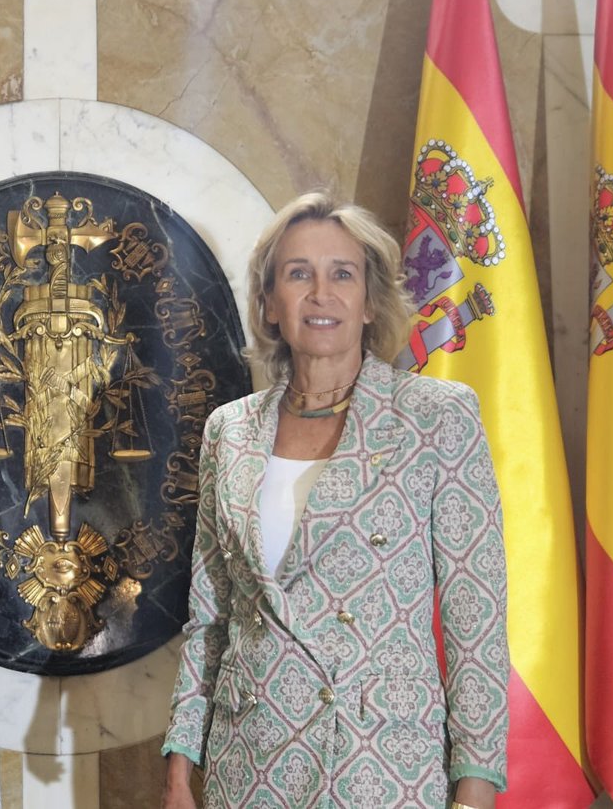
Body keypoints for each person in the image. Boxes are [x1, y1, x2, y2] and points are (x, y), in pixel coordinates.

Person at [161, 192, 508, 809]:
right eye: (299, 274)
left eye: (342, 274)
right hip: (251, 765)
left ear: (370, 300)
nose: (321, 293)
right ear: (270, 303)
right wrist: (180, 767)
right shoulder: (229, 430)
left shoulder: (436, 418)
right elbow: (209, 618)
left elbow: (474, 623)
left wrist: (476, 787)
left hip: (382, 765)